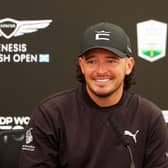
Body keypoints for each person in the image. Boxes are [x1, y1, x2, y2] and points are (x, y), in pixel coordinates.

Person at [19, 22, 168, 168]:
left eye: (111, 61)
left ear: (128, 65)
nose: (101, 70)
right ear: (82, 65)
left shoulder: (149, 117)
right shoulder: (51, 114)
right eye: (92, 61)